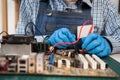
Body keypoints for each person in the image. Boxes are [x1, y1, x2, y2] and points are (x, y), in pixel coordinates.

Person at [16, 0, 120, 57]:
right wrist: (45, 42)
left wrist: (109, 43)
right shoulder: (31, 2)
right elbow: (17, 44)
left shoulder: (105, 5)